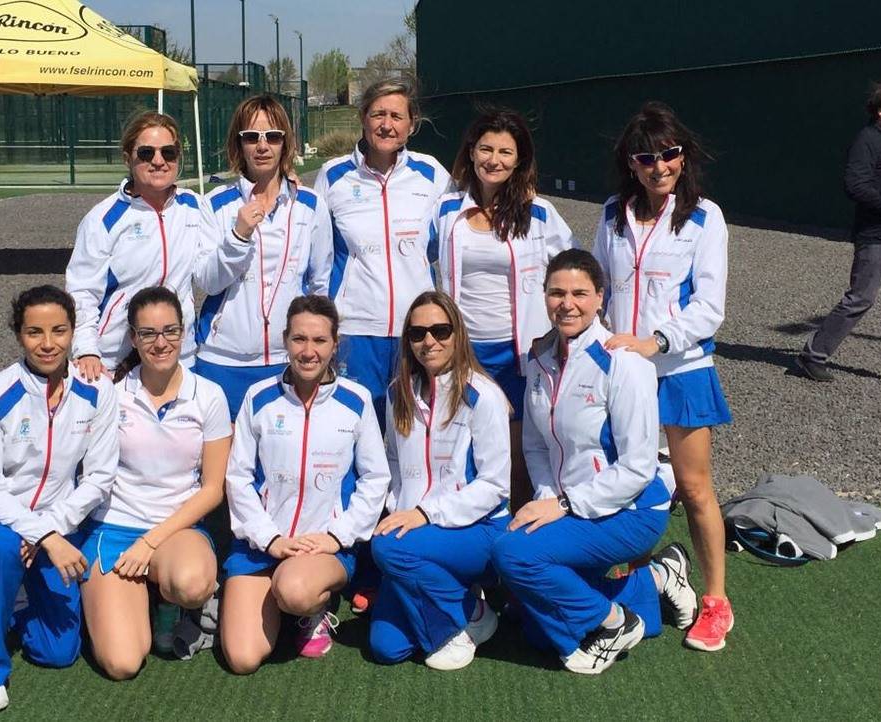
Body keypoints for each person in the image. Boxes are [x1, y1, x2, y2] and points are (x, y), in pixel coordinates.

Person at [491, 249, 691, 675]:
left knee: (513, 553)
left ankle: (615, 623)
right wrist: (548, 499)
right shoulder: (539, 360)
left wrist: (564, 506)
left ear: (600, 297)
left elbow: (637, 468)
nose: (567, 304)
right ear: (545, 296)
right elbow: (535, 447)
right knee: (536, 629)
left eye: (579, 293)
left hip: (632, 510)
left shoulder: (624, 363)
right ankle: (655, 580)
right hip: (570, 506)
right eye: (556, 293)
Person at [592, 101, 733, 652]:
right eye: (646, 157)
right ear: (630, 163)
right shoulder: (612, 213)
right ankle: (645, 582)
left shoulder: (705, 217)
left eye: (668, 154)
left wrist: (656, 341)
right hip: (623, 373)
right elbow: (599, 287)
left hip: (680, 370)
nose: (659, 166)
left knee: (694, 489)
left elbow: (709, 307)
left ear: (683, 155)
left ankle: (716, 601)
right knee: (629, 484)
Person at [0, 285, 118, 713]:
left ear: (73, 332)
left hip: (55, 522)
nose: (47, 344)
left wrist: (50, 528)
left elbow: (99, 478)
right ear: (18, 335)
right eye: (34, 332)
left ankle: (13, 596)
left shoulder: (98, 391)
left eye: (58, 331)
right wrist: (43, 536)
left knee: (58, 652)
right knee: (3, 549)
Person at [221, 295, 389, 674]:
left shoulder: (357, 401)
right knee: (243, 658)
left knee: (295, 590)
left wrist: (337, 536)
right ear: (285, 339)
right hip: (263, 545)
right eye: (299, 339)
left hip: (322, 547)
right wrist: (269, 539)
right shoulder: (258, 398)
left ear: (335, 344)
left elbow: (375, 479)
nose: (308, 351)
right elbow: (238, 478)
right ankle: (271, 602)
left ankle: (310, 607)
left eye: (319, 340)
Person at [78, 286, 231, 680]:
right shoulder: (110, 394)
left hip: (176, 530)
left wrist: (150, 543)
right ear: (133, 338)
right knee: (123, 663)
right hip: (114, 528)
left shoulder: (209, 396)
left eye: (170, 331)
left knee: (192, 584)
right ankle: (124, 598)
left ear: (184, 332)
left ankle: (168, 600)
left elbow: (213, 489)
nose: (160, 343)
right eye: (147, 333)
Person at [437, 108, 576, 510]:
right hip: (462, 354)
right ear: (471, 152)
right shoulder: (445, 210)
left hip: (518, 357)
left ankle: (518, 534)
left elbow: (573, 270)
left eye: (505, 152)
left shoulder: (539, 213)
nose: (493, 160)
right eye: (486, 149)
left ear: (519, 161)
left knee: (518, 460)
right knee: (463, 454)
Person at [369, 291, 511, 671]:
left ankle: (474, 615)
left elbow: (495, 485)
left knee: (388, 547)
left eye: (440, 330)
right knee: (386, 646)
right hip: (418, 534)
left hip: (479, 529)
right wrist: (399, 510)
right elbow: (394, 464)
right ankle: (463, 597)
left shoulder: (483, 395)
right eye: (417, 333)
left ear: (457, 333)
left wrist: (424, 513)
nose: (429, 341)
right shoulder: (397, 392)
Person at [314, 79, 451, 423]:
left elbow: (444, 241)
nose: (386, 125)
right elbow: (318, 254)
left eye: (396, 116)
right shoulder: (333, 176)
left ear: (411, 124)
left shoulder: (432, 174)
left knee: (415, 426)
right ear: (363, 117)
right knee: (358, 426)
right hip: (356, 329)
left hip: (417, 329)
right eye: (378, 114)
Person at [196, 95, 333, 418]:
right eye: (251, 137)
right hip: (223, 360)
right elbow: (207, 282)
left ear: (285, 143)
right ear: (238, 144)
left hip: (288, 359)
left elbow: (320, 285)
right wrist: (238, 236)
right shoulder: (215, 204)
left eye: (272, 136)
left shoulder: (310, 205)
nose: (262, 146)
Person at [67, 111, 208, 380]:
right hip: (114, 360)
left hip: (178, 355)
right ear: (127, 158)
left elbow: (240, 212)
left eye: (168, 152)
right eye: (146, 153)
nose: (158, 161)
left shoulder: (195, 206)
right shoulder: (103, 219)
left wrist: (283, 179)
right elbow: (82, 291)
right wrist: (86, 350)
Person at [798, 81, 881, 382]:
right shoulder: (867, 141)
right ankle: (812, 356)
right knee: (860, 299)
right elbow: (855, 185)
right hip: (876, 237)